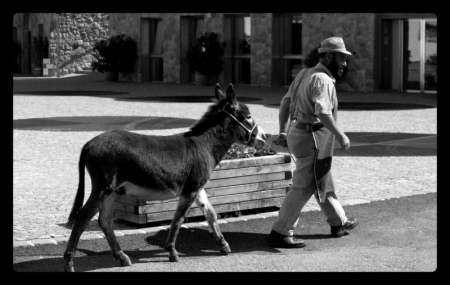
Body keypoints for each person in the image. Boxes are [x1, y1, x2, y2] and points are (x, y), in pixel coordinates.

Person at [268, 37, 358, 248]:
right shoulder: (323, 79)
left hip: (298, 133)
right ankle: (280, 232)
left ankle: (339, 222)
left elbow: (285, 102)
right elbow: (323, 112)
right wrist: (341, 134)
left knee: (322, 177)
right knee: (303, 186)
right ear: (328, 56)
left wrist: (282, 130)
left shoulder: (303, 74)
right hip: (313, 138)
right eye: (341, 58)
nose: (345, 63)